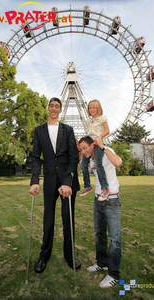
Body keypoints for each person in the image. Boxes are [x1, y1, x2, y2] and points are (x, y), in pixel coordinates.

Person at [29, 97, 81, 274]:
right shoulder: (39, 131)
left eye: (57, 106)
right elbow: (35, 157)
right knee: (48, 220)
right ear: (48, 108)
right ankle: (44, 256)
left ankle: (69, 255)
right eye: (51, 105)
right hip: (50, 179)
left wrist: (67, 183)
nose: (53, 108)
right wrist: (35, 180)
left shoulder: (68, 130)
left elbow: (74, 158)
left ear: (60, 110)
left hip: (68, 181)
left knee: (68, 219)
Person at [78, 135, 122, 288]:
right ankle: (102, 263)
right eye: (81, 149)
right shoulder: (90, 159)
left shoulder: (105, 150)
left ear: (92, 145)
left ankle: (114, 274)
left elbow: (118, 162)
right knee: (99, 234)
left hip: (112, 199)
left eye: (85, 148)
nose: (83, 151)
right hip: (98, 199)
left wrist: (102, 146)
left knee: (115, 239)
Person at [79, 100, 110, 201]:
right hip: (90, 145)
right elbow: (89, 134)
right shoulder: (89, 122)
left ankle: (105, 188)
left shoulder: (102, 118)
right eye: (90, 108)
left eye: (94, 107)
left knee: (97, 164)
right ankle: (87, 186)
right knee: (83, 164)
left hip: (97, 145)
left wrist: (98, 138)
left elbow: (107, 131)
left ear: (98, 108)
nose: (91, 110)